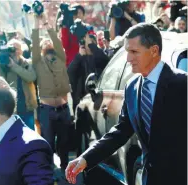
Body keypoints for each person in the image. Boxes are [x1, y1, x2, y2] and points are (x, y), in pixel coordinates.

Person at [65, 23, 187, 185]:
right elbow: (121, 131)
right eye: (127, 51)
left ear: (154, 51)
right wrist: (86, 159)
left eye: (134, 52)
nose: (128, 58)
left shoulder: (182, 84)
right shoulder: (131, 87)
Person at [32, 13, 72, 172]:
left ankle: (64, 167)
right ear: (41, 49)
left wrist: (46, 23)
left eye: (50, 42)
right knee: (47, 142)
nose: (48, 43)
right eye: (44, 43)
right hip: (47, 111)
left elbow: (55, 39)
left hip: (63, 109)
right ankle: (48, 170)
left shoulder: (61, 57)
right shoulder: (37, 61)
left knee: (65, 141)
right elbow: (35, 42)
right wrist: (36, 22)